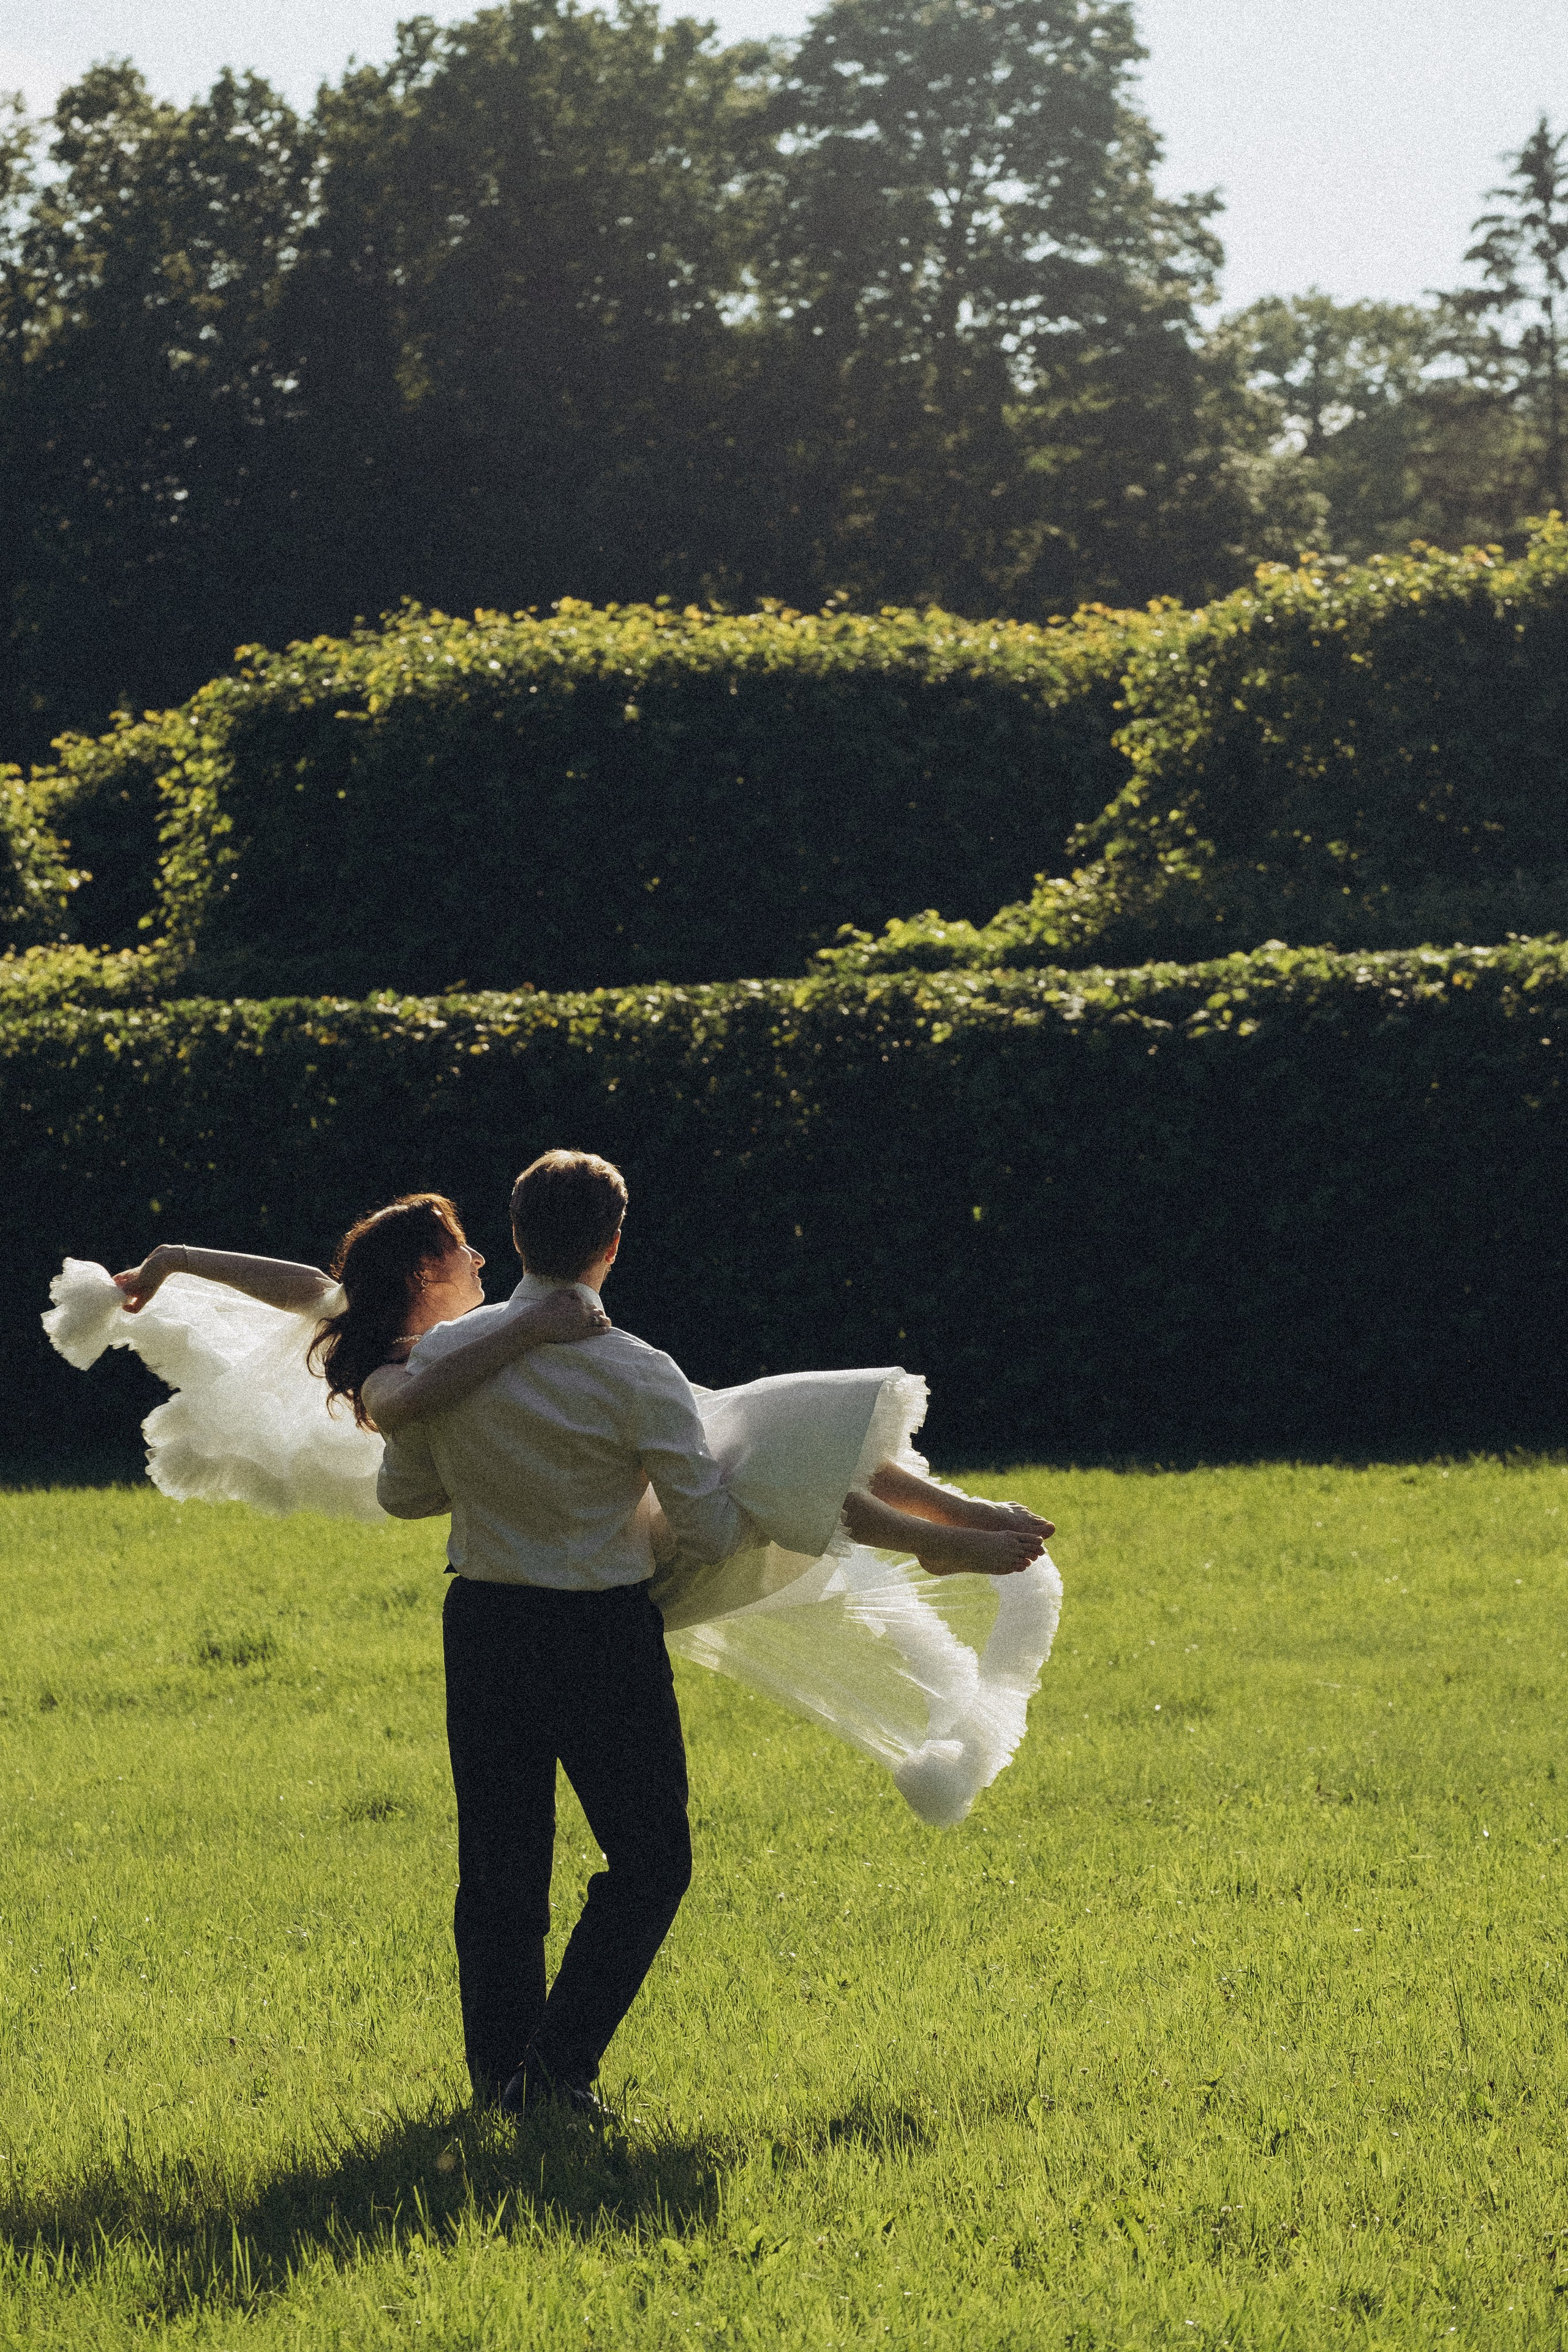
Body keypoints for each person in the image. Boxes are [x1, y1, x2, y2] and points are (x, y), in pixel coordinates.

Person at [55, 1155, 1061, 2117]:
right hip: (598, 1633)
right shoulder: (626, 1368)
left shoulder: (442, 1360)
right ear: (612, 1244)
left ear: (518, 1233)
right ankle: (559, 2070)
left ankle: (508, 2078)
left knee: (501, 1864)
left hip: (486, 1623)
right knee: (652, 1858)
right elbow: (707, 1530)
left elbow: (410, 1493)